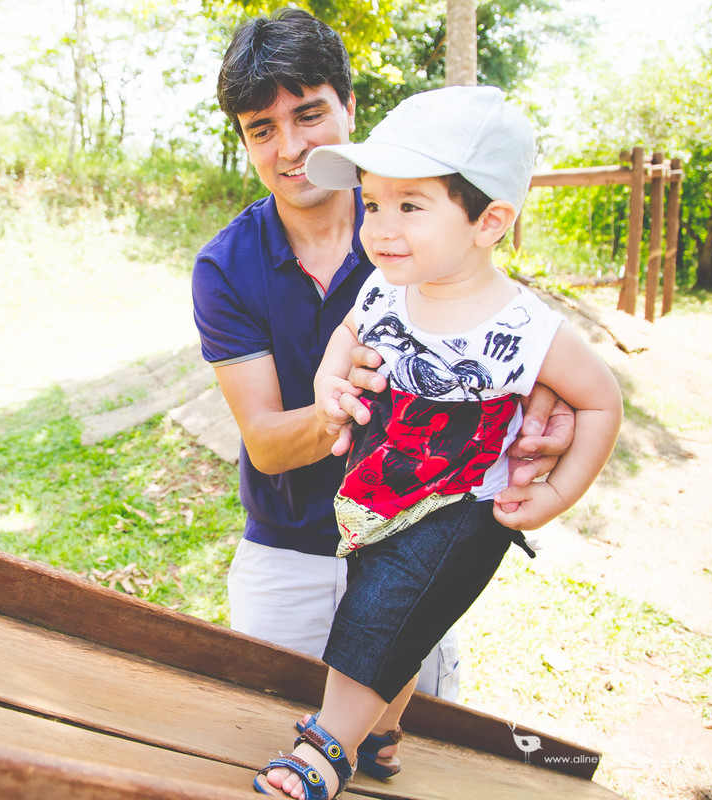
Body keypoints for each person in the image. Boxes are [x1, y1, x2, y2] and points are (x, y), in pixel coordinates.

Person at [191, 6, 574, 769]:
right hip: (288, 556)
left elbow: (508, 340)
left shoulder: (425, 233)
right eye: (261, 129)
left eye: (308, 114)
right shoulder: (226, 267)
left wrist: (545, 410)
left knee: (403, 768)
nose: (291, 148)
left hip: (415, 548)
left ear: (349, 107)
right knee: (274, 758)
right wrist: (337, 406)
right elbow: (267, 443)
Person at [251, 85, 623, 799]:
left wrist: (553, 493)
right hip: (379, 490)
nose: (382, 226)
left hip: (463, 506)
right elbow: (346, 340)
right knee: (392, 611)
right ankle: (384, 728)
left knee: (380, 611)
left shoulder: (524, 330)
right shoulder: (387, 292)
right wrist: (333, 382)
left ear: (489, 221)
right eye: (374, 202)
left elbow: (599, 401)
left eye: (411, 206)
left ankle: (328, 746)